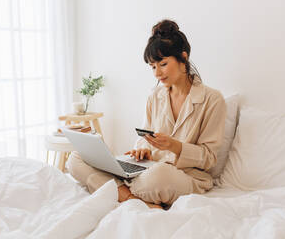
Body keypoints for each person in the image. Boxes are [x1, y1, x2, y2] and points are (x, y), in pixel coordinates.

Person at [67, 19, 226, 209]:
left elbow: (209, 158)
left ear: (183, 58)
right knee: (75, 159)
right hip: (146, 169)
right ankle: (130, 198)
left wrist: (175, 147)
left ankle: (115, 189)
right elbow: (144, 138)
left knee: (159, 177)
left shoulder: (213, 100)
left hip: (182, 175)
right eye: (152, 67)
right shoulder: (155, 96)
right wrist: (141, 149)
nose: (157, 73)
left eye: (163, 64)